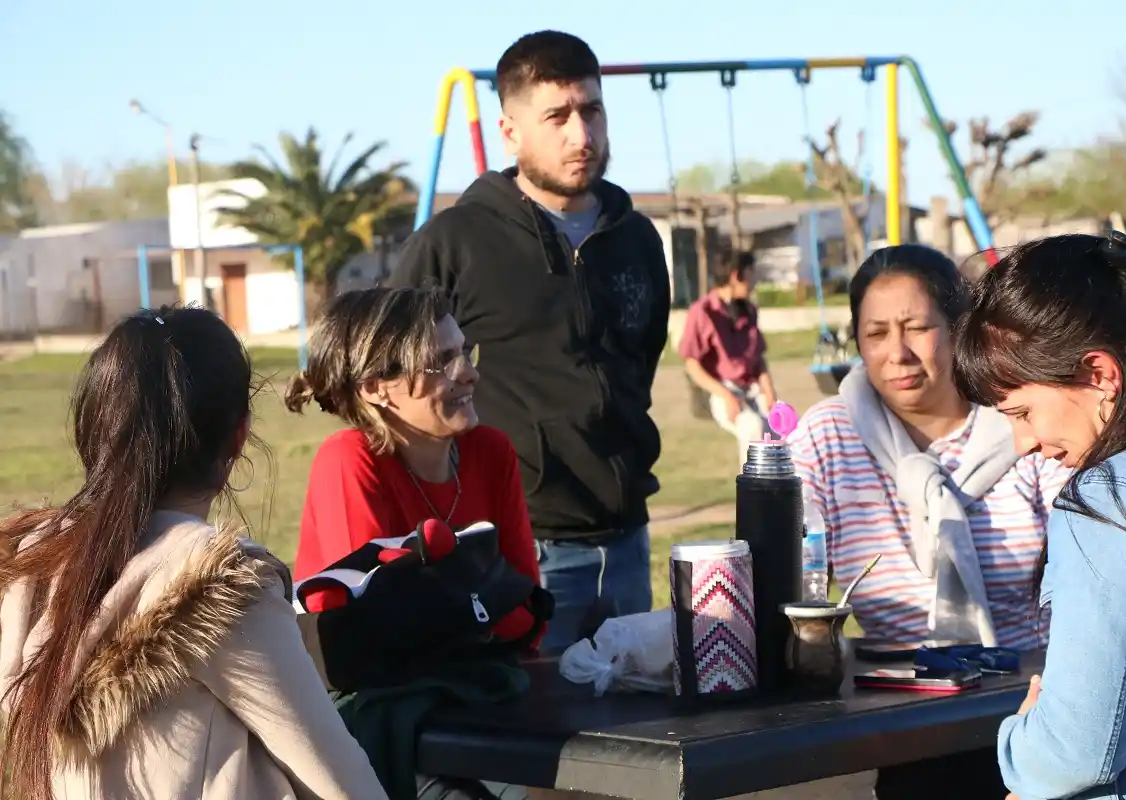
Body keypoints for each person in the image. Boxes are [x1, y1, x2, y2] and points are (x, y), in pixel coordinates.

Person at [0, 306, 388, 800]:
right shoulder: (215, 584)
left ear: (94, 429)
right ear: (239, 435)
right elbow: (340, 780)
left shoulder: (34, 564)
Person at [389, 30, 671, 651]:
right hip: (523, 551)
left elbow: (643, 359)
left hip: (629, 545)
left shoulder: (638, 240)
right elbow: (388, 380)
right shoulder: (454, 243)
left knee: (635, 736)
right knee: (538, 736)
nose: (581, 134)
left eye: (591, 110)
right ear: (511, 132)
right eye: (557, 116)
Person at [786, 244, 1071, 800]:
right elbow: (787, 566)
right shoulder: (826, 437)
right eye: (875, 333)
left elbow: (1084, 568)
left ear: (960, 327)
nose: (897, 353)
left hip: (1030, 697)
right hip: (898, 717)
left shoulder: (1024, 421)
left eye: (917, 327)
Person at [954, 231, 1126, 800]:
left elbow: (1075, 751)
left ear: (1099, 375)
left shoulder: (1110, 504)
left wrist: (1022, 747)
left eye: (1022, 411)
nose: (1021, 442)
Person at [286, 286, 542, 646]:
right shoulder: (348, 461)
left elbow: (529, 613)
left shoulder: (491, 451)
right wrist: (484, 603)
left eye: (465, 353)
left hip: (486, 683)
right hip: (376, 698)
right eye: (443, 361)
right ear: (375, 387)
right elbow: (377, 625)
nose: (469, 374)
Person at [677, 247, 777, 460]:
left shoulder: (748, 310)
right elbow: (692, 365)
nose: (755, 280)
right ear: (735, 275)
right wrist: (727, 396)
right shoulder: (702, 312)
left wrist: (770, 392)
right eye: (751, 273)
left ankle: (779, 491)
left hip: (752, 388)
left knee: (779, 433)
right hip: (720, 391)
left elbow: (758, 358)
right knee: (753, 427)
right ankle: (753, 492)